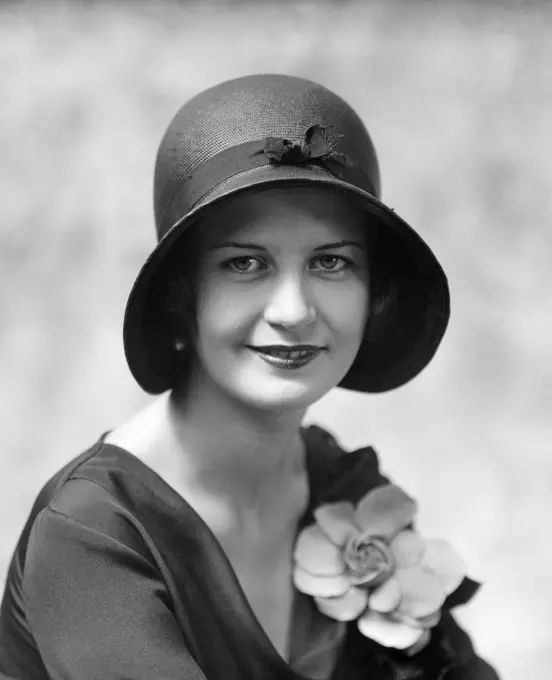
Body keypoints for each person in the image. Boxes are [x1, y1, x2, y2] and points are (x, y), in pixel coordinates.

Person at [0, 74, 499, 680]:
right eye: (245, 263)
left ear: (374, 297)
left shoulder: (342, 488)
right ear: (183, 295)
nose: (293, 312)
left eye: (331, 261)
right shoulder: (93, 533)